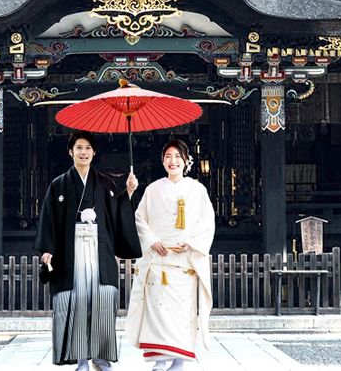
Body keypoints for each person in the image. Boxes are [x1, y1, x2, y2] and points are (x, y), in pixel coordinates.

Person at [34, 130, 141, 370]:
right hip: (70, 253)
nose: (83, 152)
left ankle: (101, 357)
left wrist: (129, 192)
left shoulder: (105, 183)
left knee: (102, 301)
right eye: (79, 148)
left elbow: (116, 214)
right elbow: (49, 219)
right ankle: (82, 358)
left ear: (94, 153)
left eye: (88, 148)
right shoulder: (58, 184)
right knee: (77, 302)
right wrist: (47, 248)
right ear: (70, 152)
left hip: (99, 250)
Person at [125, 139, 215, 370]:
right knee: (157, 312)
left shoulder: (198, 190)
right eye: (168, 156)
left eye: (177, 156)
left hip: (184, 261)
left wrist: (192, 242)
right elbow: (139, 218)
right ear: (162, 160)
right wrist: (152, 240)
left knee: (182, 314)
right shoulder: (153, 189)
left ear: (186, 161)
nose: (172, 161)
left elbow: (207, 223)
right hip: (159, 260)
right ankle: (159, 360)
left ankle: (178, 361)